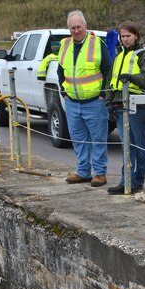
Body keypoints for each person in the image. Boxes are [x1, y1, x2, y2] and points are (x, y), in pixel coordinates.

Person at [57, 10, 112, 187]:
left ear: (85, 27)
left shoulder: (97, 43)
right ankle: (83, 172)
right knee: (78, 139)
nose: (75, 30)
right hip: (72, 102)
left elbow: (107, 70)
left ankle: (100, 173)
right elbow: (60, 71)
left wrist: (104, 94)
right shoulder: (64, 45)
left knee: (97, 139)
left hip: (94, 101)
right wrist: (64, 93)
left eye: (78, 27)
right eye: (72, 28)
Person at [105, 21, 145, 195]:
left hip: (136, 106)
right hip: (119, 106)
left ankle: (138, 181)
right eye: (123, 36)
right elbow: (111, 81)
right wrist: (108, 103)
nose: (125, 39)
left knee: (138, 145)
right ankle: (125, 180)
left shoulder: (143, 55)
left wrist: (131, 78)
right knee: (126, 146)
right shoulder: (118, 57)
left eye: (128, 36)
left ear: (136, 37)